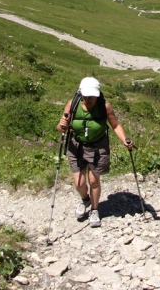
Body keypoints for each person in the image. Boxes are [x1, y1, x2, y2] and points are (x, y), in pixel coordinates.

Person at [56, 77, 132, 228]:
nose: (89, 99)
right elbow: (61, 128)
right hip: (76, 146)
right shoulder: (72, 104)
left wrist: (125, 140)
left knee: (93, 181)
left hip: (97, 146)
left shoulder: (105, 107)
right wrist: (61, 125)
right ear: (81, 94)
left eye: (92, 96)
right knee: (79, 182)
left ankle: (95, 209)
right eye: (86, 96)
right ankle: (85, 199)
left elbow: (115, 125)